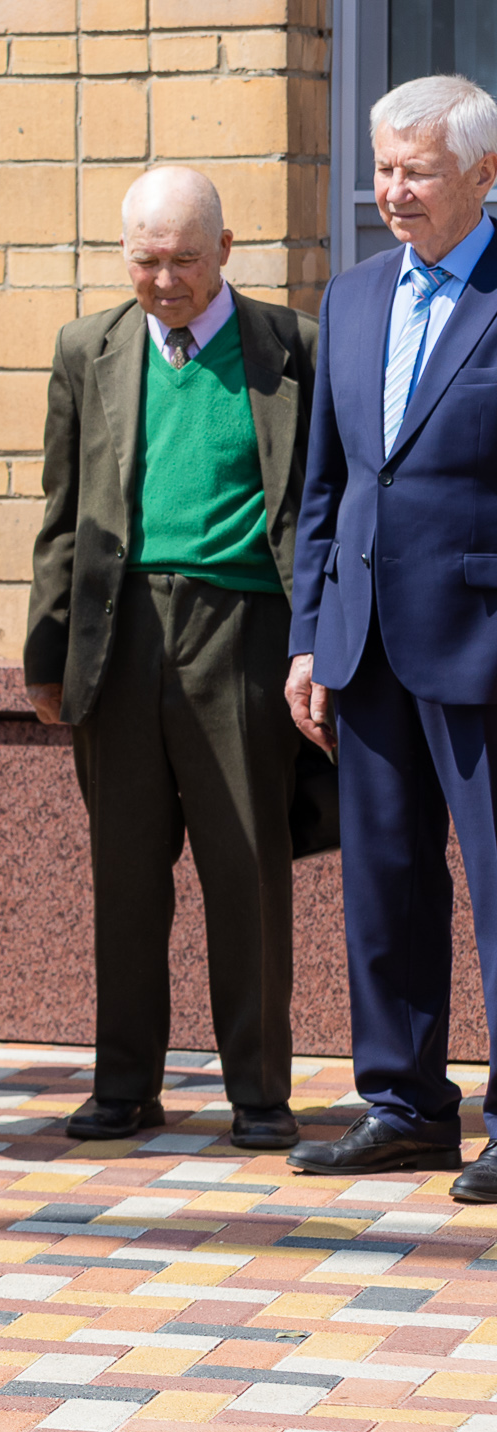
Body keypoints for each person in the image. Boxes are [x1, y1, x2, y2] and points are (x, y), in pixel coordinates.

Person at [23, 168, 313, 1153]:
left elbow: (319, 505)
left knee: (247, 867)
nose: (165, 280)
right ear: (124, 254)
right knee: (126, 870)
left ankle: (260, 1092)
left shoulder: (291, 346)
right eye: (146, 260)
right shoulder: (86, 348)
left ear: (224, 249)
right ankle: (124, 1084)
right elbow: (61, 514)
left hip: (243, 628)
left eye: (185, 259)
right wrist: (46, 651)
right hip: (119, 631)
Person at [287, 74, 497, 1191]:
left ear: (484, 173)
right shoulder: (355, 296)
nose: (394, 191)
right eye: (383, 169)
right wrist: (308, 638)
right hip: (364, 643)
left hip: (484, 642)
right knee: (385, 888)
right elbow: (326, 487)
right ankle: (406, 1106)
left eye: (419, 170)